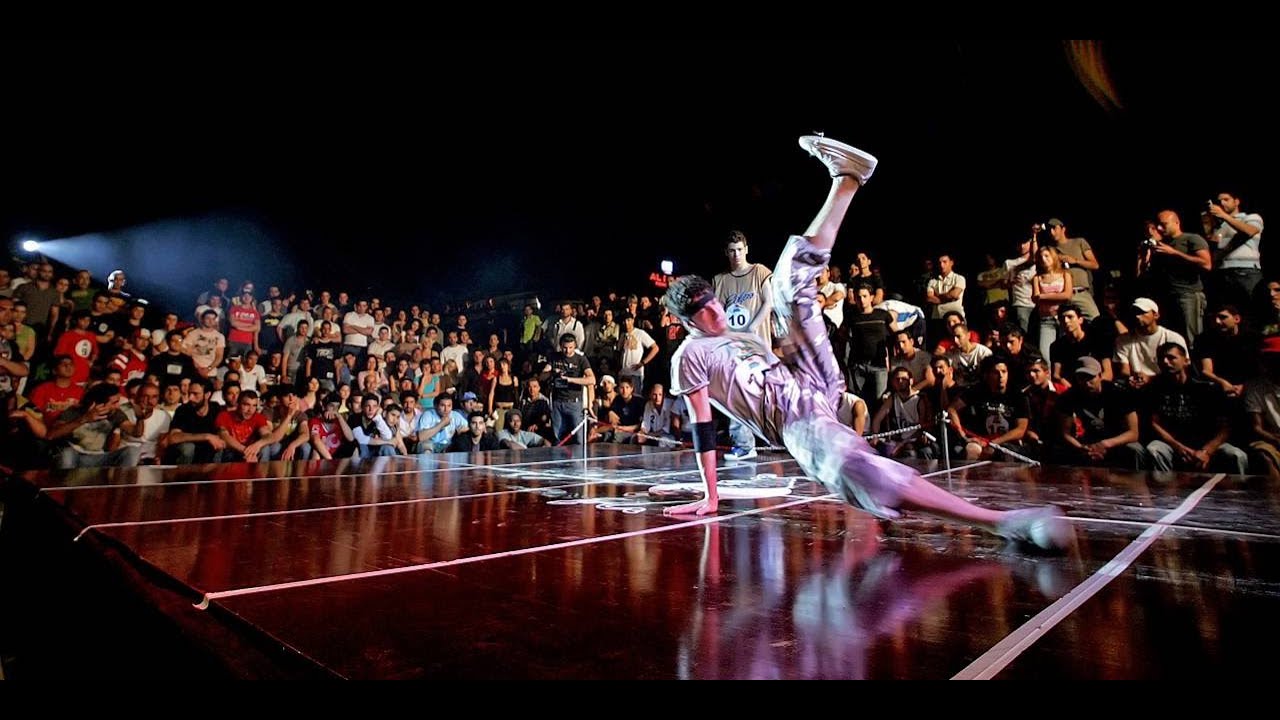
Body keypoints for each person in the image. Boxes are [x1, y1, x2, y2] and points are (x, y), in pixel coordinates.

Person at [662, 136, 1071, 551]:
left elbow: (772, 340)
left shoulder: (731, 331)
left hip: (810, 380)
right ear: (685, 321)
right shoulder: (689, 356)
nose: (714, 314)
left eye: (713, 303)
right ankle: (1003, 522)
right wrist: (710, 496)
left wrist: (788, 333)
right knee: (851, 466)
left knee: (787, 281)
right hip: (793, 420)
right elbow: (702, 427)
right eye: (702, 312)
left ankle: (847, 178)